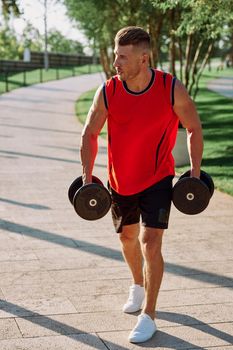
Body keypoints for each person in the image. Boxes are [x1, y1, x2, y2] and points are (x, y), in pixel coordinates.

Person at [80, 26, 203, 343]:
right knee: (127, 237)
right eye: (115, 55)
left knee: (150, 242)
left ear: (143, 57)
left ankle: (149, 315)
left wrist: (194, 170)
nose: (115, 62)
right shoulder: (108, 91)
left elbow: (193, 126)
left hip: (158, 177)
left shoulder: (169, 87)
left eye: (122, 57)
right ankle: (137, 284)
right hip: (120, 180)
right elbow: (89, 134)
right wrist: (86, 175)